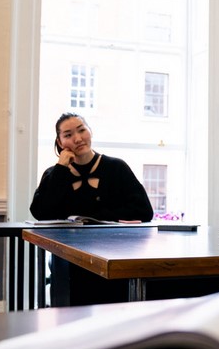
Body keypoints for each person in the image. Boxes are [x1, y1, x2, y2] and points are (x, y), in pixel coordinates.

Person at [31, 113, 154, 305]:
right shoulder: (54, 174)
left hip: (114, 252)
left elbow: (144, 211)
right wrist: (61, 167)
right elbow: (40, 212)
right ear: (60, 141)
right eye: (68, 134)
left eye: (81, 130)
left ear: (90, 131)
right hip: (69, 255)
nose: (78, 138)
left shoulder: (116, 167)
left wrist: (94, 218)